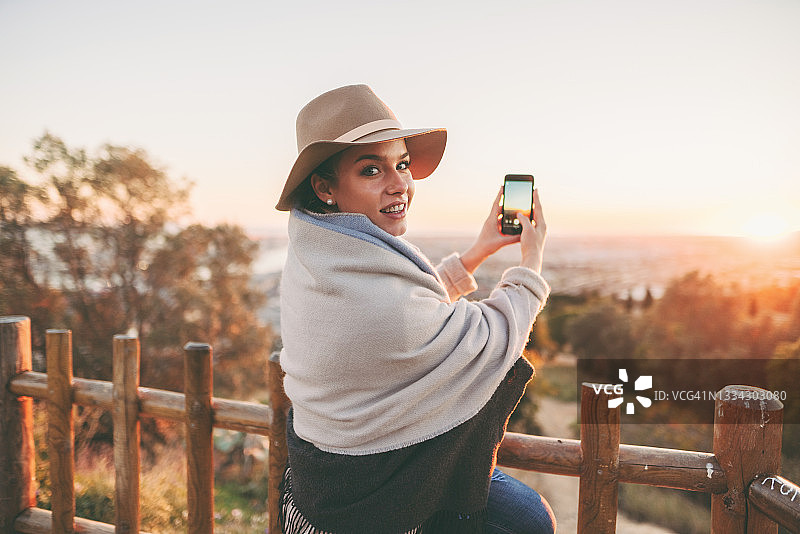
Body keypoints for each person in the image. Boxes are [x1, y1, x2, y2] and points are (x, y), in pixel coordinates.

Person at [275, 84, 556, 534]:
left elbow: (405, 316)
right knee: (530, 520)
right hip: (374, 487)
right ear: (325, 187)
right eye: (371, 170)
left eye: (402, 164)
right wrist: (531, 263)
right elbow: (491, 334)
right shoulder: (375, 295)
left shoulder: (318, 258)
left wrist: (477, 252)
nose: (399, 184)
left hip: (323, 474)